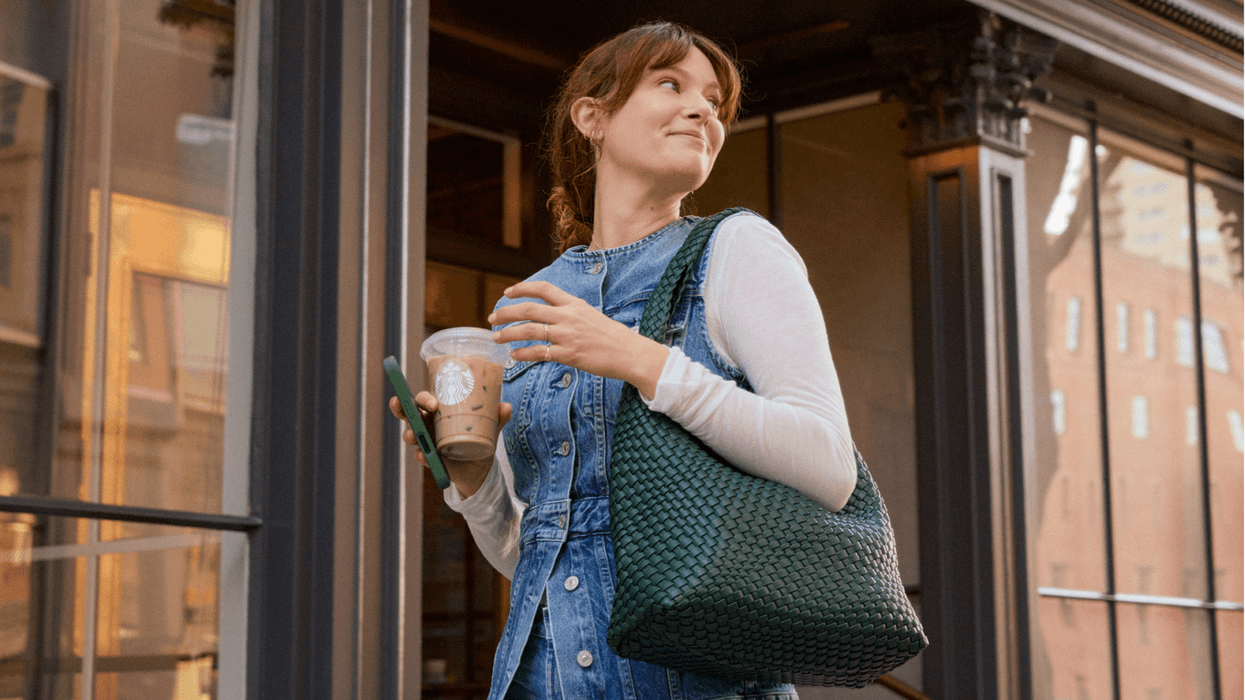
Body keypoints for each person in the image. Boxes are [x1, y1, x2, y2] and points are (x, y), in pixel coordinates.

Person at [390, 21, 857, 700]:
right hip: (539, 680)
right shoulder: (534, 301)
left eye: (713, 102)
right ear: (593, 117)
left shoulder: (736, 250)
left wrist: (637, 357)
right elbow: (535, 558)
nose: (702, 111)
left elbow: (830, 468)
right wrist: (473, 481)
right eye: (670, 84)